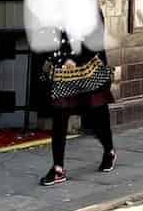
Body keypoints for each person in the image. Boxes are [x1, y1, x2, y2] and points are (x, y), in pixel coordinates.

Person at [40, 30, 116, 187]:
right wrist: (56, 58)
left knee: (97, 114)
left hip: (89, 68)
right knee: (60, 115)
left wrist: (75, 58)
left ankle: (109, 150)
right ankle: (58, 168)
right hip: (64, 71)